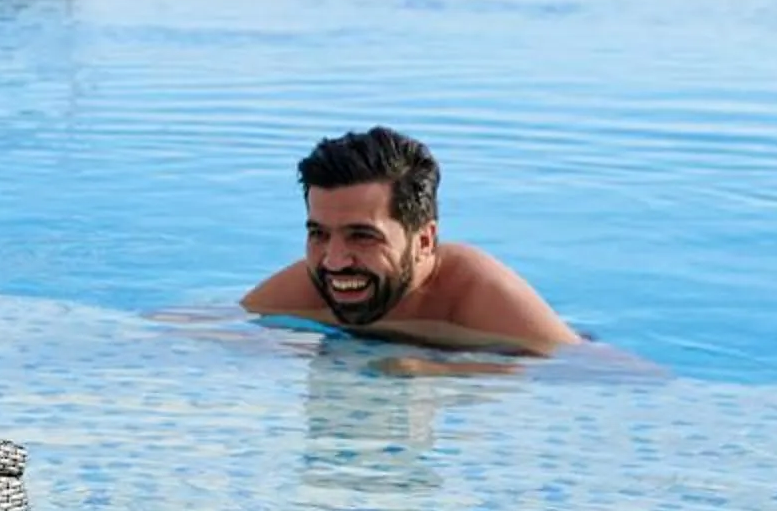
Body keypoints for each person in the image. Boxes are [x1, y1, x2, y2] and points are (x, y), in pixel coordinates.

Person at [241, 126, 578, 358]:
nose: (334, 260)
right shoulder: (316, 282)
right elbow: (215, 329)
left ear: (425, 240)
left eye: (362, 236)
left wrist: (438, 370)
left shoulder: (480, 296)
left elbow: (588, 369)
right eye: (319, 234)